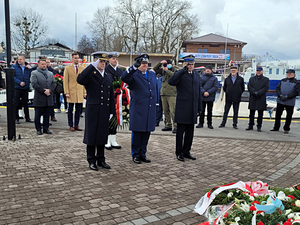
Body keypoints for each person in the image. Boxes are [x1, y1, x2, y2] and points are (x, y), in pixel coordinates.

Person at [77, 52, 115, 171]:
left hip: (104, 109)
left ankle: (101, 159)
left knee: (102, 135)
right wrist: (91, 66)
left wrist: (112, 110)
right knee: (92, 135)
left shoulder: (108, 76)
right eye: (101, 61)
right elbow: (80, 79)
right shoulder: (91, 74)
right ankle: (91, 160)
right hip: (93, 108)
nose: (103, 64)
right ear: (96, 62)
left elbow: (111, 94)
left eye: (104, 62)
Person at [121, 54, 156, 164]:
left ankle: (143, 153)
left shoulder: (151, 74)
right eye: (142, 63)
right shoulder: (134, 75)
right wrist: (133, 67)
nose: (145, 65)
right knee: (137, 133)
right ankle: (135, 154)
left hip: (149, 108)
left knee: (146, 133)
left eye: (146, 63)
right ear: (138, 64)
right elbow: (124, 77)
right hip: (138, 108)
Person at [168, 55, 202, 162]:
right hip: (183, 108)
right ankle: (179, 152)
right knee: (180, 132)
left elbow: (198, 92)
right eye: (188, 64)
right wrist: (183, 70)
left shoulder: (196, 75)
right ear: (184, 64)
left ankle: (187, 151)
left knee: (190, 132)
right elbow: (171, 81)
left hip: (192, 108)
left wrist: (199, 107)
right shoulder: (180, 74)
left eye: (192, 64)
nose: (190, 66)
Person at [30, 59, 56, 135]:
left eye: (45, 64)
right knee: (38, 114)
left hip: (48, 97)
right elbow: (34, 84)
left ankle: (46, 128)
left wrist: (49, 90)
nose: (44, 65)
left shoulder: (50, 73)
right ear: (38, 65)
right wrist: (44, 91)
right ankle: (38, 129)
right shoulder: (34, 73)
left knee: (47, 115)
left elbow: (54, 83)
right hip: (39, 97)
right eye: (42, 64)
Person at [270, 69, 300, 134]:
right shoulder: (282, 80)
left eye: (290, 73)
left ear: (294, 74)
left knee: (289, 116)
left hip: (290, 102)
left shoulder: (297, 82)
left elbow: (296, 92)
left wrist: (287, 96)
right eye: (287, 73)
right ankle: (276, 127)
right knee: (278, 115)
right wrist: (280, 95)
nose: (288, 75)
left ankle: (286, 128)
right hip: (280, 101)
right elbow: (277, 88)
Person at [104, 52, 123, 150]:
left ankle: (113, 139)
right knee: (108, 118)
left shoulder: (120, 71)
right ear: (109, 60)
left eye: (116, 59)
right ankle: (106, 139)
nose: (115, 60)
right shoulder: (106, 70)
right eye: (113, 58)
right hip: (108, 97)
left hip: (118, 98)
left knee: (115, 118)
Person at [63, 52, 86, 131]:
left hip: (79, 91)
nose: (77, 60)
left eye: (78, 58)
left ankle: (77, 124)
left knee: (79, 110)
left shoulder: (82, 68)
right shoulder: (68, 68)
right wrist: (66, 92)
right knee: (70, 110)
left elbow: (84, 81)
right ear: (72, 59)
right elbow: (65, 81)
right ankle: (71, 125)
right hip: (71, 91)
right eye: (75, 58)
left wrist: (84, 91)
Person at [153, 59, 177, 133]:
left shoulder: (174, 70)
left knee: (173, 111)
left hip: (172, 93)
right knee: (165, 110)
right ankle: (168, 125)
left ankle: (176, 126)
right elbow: (155, 69)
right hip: (163, 93)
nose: (166, 66)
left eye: (167, 64)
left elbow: (174, 76)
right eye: (165, 64)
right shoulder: (162, 71)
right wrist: (160, 63)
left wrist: (167, 70)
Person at [246, 66, 269, 132]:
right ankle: (250, 125)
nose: (258, 72)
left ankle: (259, 126)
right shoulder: (251, 79)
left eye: (259, 71)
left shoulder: (266, 79)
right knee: (251, 113)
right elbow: (249, 86)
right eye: (257, 71)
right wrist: (254, 92)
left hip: (261, 98)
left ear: (262, 71)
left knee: (260, 114)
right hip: (253, 97)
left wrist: (258, 93)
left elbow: (266, 88)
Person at [12, 56, 34, 124]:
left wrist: (31, 69)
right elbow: (13, 76)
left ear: (24, 60)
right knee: (16, 103)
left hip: (25, 88)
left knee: (25, 103)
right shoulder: (14, 67)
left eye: (20, 59)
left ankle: (27, 118)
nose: (19, 60)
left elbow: (32, 75)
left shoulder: (27, 67)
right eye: (18, 59)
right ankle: (16, 118)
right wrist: (19, 82)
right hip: (17, 87)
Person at [197, 65, 218, 129]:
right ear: (205, 70)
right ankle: (201, 123)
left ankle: (209, 123)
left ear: (211, 70)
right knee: (201, 111)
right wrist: (203, 92)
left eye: (209, 69)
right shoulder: (201, 77)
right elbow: (198, 86)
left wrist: (208, 92)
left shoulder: (214, 78)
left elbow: (215, 87)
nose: (208, 70)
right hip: (202, 96)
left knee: (210, 111)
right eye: (207, 69)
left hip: (210, 97)